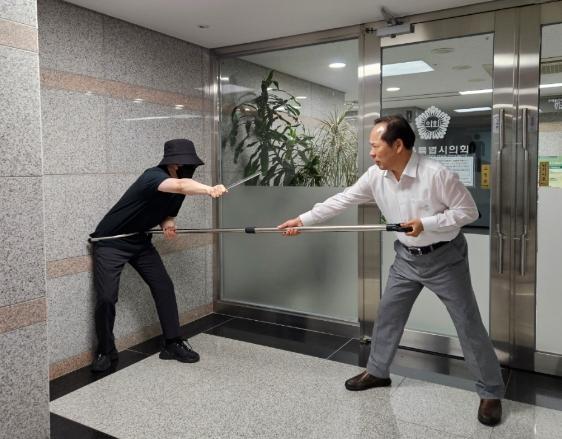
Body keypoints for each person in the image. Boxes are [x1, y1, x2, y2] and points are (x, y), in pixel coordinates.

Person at [278, 115, 504, 426]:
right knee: (388, 315)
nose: (371, 152)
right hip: (406, 258)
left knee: (467, 323)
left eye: (375, 146)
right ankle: (377, 372)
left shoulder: (437, 175)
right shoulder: (376, 176)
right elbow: (342, 199)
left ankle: (491, 391)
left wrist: (427, 223)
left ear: (397, 145)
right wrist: (303, 220)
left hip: (444, 258)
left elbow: (468, 212)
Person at [89, 139, 227, 372]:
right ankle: (105, 350)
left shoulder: (178, 190)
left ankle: (172, 343)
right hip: (110, 242)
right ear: (173, 163)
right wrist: (209, 189)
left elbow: (168, 213)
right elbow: (181, 185)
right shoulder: (152, 176)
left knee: (163, 286)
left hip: (140, 240)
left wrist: (167, 224)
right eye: (185, 164)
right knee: (106, 297)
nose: (188, 168)